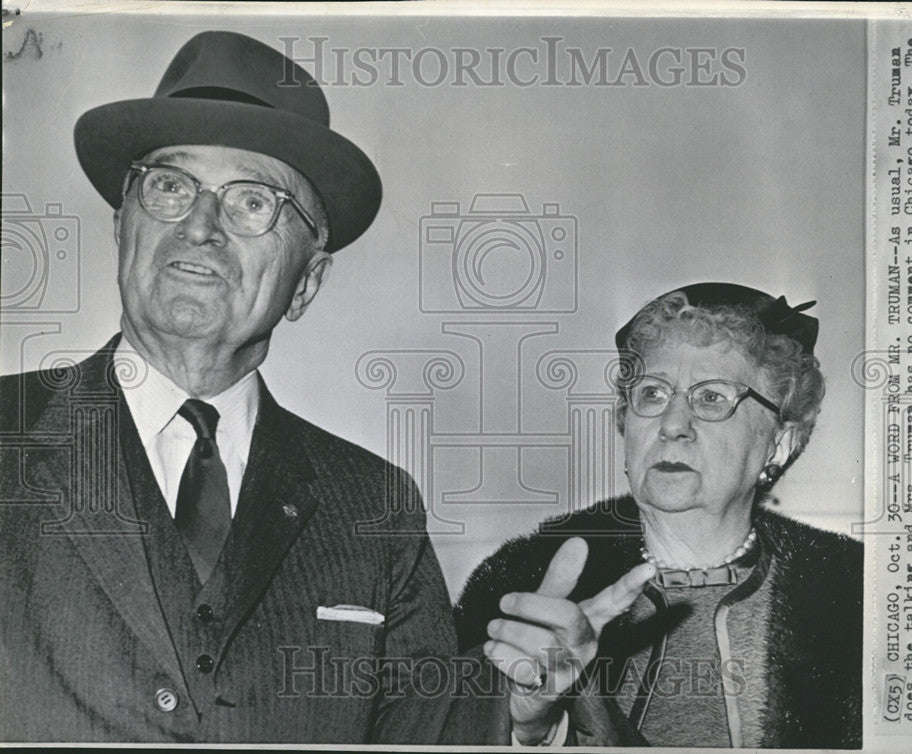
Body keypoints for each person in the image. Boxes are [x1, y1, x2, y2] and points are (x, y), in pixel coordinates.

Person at [0, 31, 457, 743]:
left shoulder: (379, 511)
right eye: (172, 185)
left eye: (253, 202)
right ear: (124, 228)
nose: (201, 226)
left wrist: (527, 724)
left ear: (305, 282)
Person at [454, 282, 863, 748]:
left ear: (780, 444)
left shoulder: (855, 594)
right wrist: (531, 727)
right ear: (624, 422)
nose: (672, 425)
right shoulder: (519, 587)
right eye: (652, 394)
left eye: (711, 397)